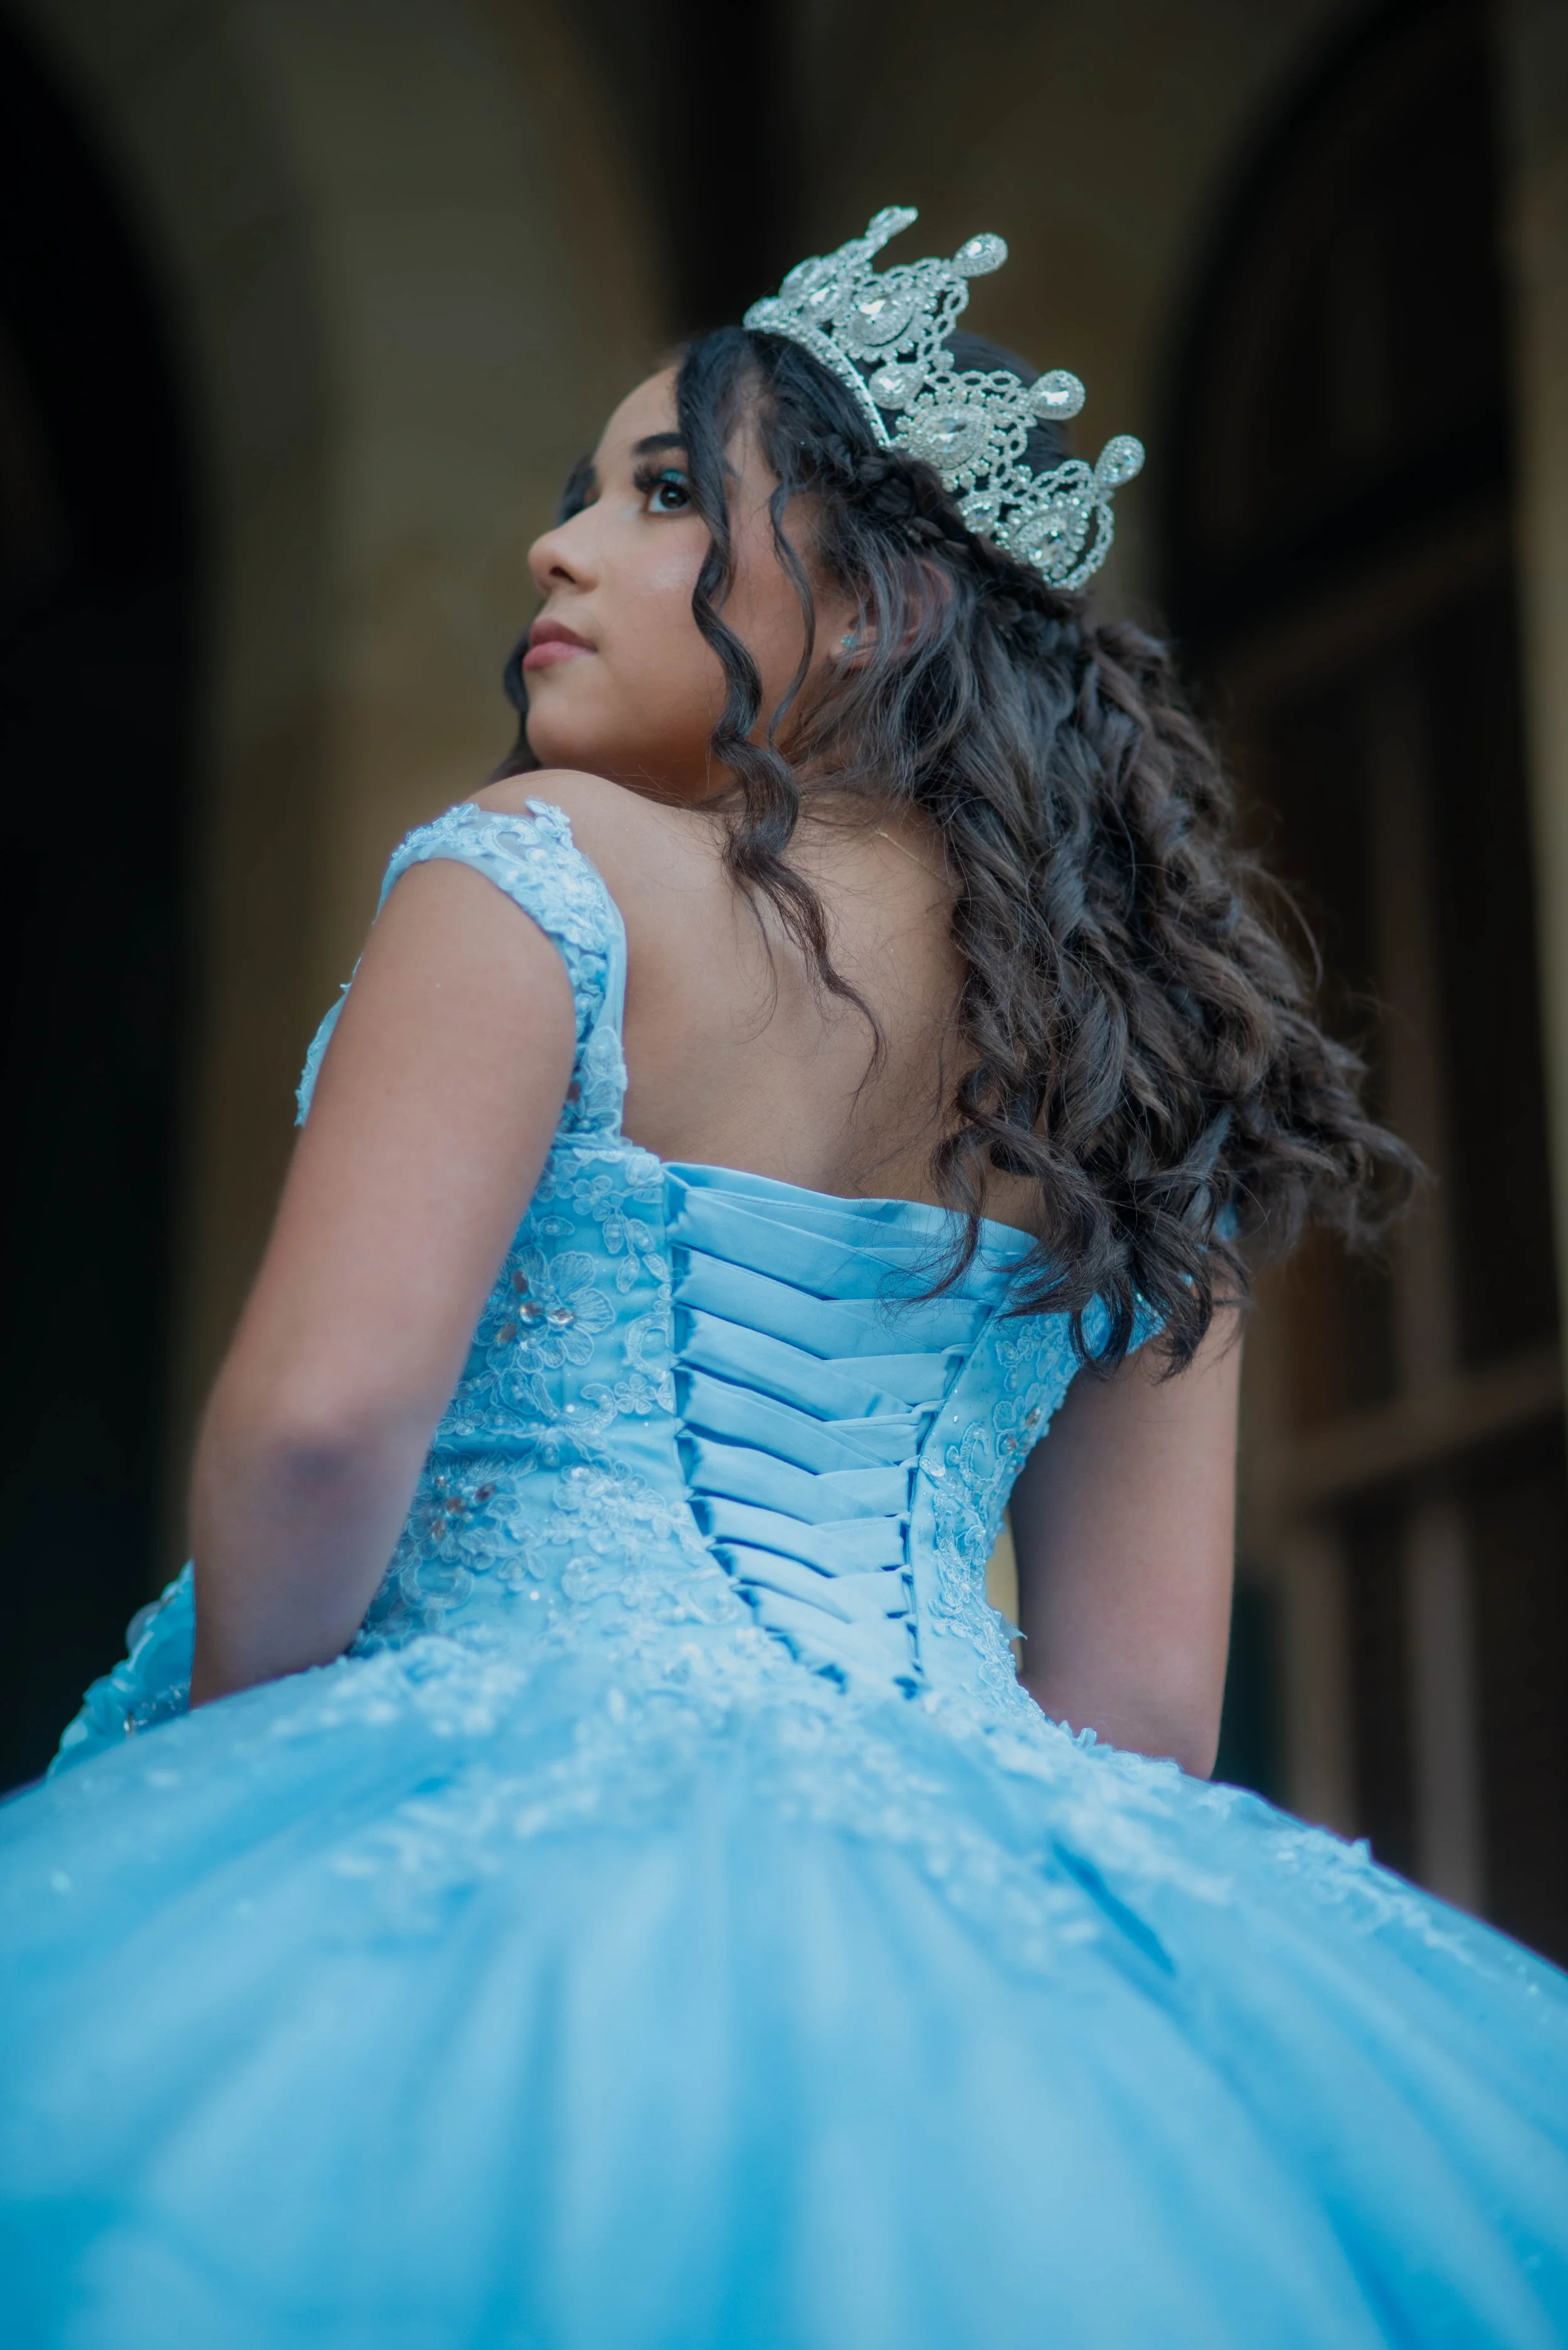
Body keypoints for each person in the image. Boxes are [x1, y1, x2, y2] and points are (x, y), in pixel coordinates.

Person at [1, 208, 1564, 2349]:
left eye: (660, 496)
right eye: (577, 498)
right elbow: (1135, 1715)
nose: (556, 553)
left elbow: (318, 1425)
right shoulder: (1140, 1057)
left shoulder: (532, 874)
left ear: (884, 594)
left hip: (481, 1844)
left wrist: (248, 1805)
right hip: (983, 1932)